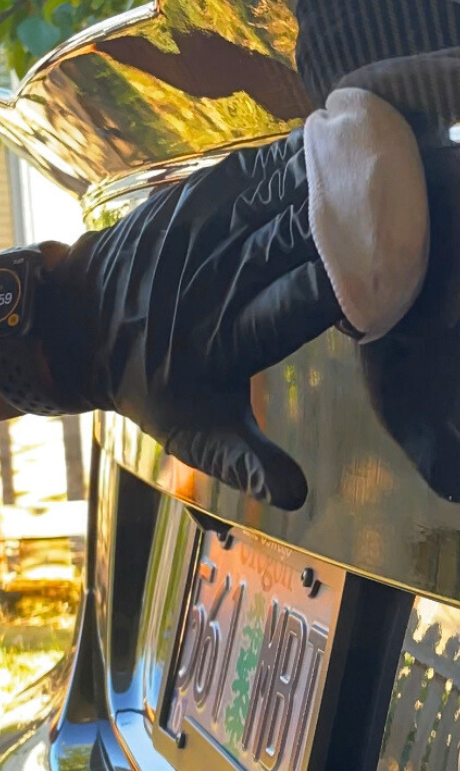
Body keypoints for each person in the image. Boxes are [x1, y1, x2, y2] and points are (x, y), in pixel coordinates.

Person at [0, 79, 434, 509]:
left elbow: (286, 487)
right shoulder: (133, 213)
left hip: (377, 260)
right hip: (359, 129)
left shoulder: (155, 395)